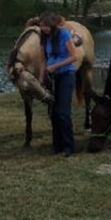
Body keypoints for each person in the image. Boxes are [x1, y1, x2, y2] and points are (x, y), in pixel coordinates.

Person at [38, 11, 79, 157]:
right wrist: (41, 78)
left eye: (46, 26)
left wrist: (57, 66)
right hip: (51, 76)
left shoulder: (63, 34)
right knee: (53, 112)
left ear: (52, 25)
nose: (44, 29)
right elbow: (43, 60)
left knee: (63, 111)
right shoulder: (43, 38)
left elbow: (74, 56)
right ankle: (57, 145)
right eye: (42, 26)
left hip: (66, 74)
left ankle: (69, 146)